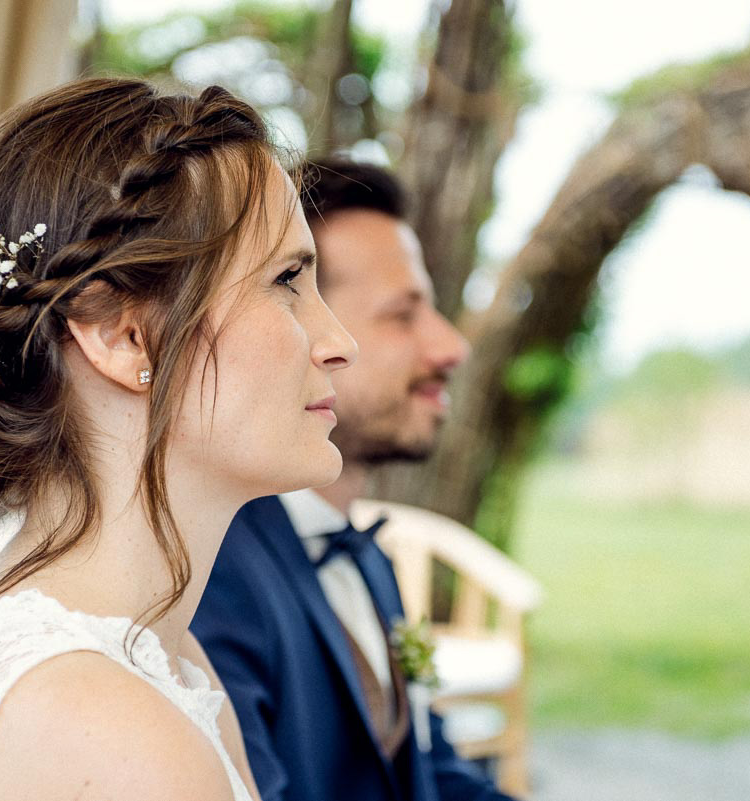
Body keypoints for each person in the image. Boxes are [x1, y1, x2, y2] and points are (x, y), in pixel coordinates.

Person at [0, 78, 357, 801]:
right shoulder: (107, 727)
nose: (339, 343)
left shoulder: (162, 661)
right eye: (285, 280)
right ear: (123, 336)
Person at [191, 160, 517, 801]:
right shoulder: (210, 573)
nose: (450, 346)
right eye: (403, 314)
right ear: (304, 328)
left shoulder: (367, 555)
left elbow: (432, 774)